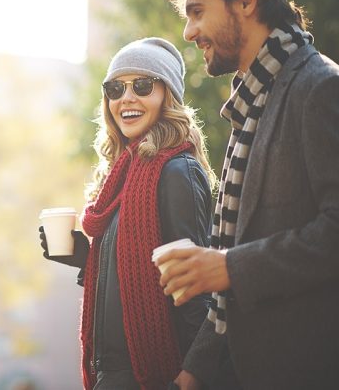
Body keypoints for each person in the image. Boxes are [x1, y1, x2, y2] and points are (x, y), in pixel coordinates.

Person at [157, 0, 339, 390]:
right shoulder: (252, 101)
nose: (189, 32)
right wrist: (196, 369)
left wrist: (230, 267)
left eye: (197, 12)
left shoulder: (319, 89)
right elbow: (230, 288)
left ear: (246, 0)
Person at [39, 37, 216, 390]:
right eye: (116, 88)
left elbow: (197, 288)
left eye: (143, 85)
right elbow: (134, 271)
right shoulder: (119, 178)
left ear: (168, 96)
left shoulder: (176, 171)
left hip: (154, 377)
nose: (127, 98)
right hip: (113, 377)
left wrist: (195, 373)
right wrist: (87, 260)